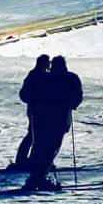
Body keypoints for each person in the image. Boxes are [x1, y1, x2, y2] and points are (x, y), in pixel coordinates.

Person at [23, 56, 82, 192]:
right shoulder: (71, 78)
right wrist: (72, 104)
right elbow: (77, 96)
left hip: (41, 119)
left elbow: (32, 95)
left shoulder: (45, 78)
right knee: (50, 149)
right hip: (59, 120)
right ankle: (36, 180)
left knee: (41, 148)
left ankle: (39, 178)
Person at [11, 55, 51, 171]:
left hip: (38, 110)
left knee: (36, 135)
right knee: (35, 135)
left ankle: (27, 160)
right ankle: (26, 160)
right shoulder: (36, 76)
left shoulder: (36, 75)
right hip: (36, 110)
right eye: (47, 62)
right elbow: (25, 94)